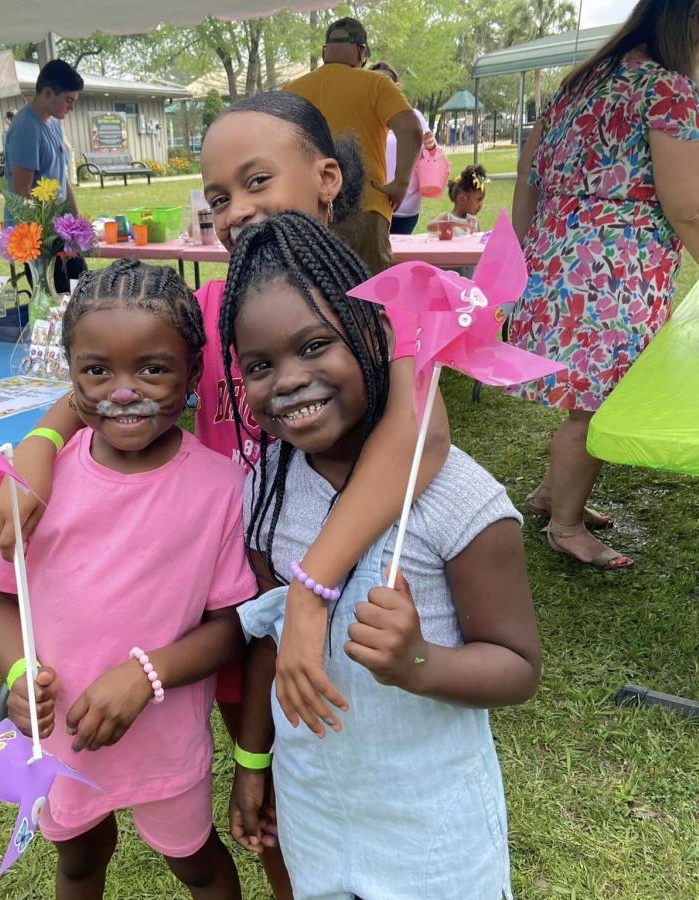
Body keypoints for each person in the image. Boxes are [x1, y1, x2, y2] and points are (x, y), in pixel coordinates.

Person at [0, 90, 452, 898]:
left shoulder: (385, 301)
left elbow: (423, 434)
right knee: (261, 800)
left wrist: (310, 593)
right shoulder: (211, 308)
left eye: (258, 180)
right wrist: (42, 442)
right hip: (224, 606)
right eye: (218, 198)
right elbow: (111, 377)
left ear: (327, 177)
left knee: (325, 774)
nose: (237, 211)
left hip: (337, 606)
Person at [222, 212, 540, 899]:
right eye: (259, 365)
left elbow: (518, 668)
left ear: (374, 334)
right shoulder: (268, 490)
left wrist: (417, 662)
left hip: (431, 827)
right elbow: (270, 640)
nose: (289, 380)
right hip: (316, 811)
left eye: (314, 346)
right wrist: (254, 760)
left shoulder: (461, 502)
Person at [0, 259, 252, 899]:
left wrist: (145, 676)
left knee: (196, 862)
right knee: (81, 861)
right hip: (61, 738)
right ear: (70, 376)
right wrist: (15, 675)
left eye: (152, 369)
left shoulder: (223, 489)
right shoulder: (32, 485)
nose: (123, 391)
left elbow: (231, 630)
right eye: (97, 371)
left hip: (164, 745)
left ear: (192, 371)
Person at [508, 0, 699, 570]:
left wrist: (518, 261)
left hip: (554, 261)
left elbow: (528, 183)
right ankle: (565, 527)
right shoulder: (665, 89)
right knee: (596, 407)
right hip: (611, 275)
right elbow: (691, 206)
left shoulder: (580, 84)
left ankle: (553, 495)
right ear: (694, 16)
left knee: (583, 399)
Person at [284, 17, 423, 273]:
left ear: (325, 51)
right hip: (365, 209)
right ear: (362, 52)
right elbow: (412, 130)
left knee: (315, 303)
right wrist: (401, 182)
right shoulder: (377, 84)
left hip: (308, 213)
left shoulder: (291, 90)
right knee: (369, 303)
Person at [5, 59, 87, 294]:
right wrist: (43, 246)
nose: (71, 108)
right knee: (56, 299)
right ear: (48, 93)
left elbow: (62, 177)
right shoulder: (25, 128)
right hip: (38, 238)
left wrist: (76, 221)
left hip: (60, 231)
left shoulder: (54, 124)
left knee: (81, 289)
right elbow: (21, 194)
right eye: (68, 100)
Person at [370, 61, 436, 234]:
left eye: (385, 84)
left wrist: (431, 147)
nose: (380, 89)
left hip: (406, 205)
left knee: (399, 255)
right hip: (374, 204)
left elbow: (431, 153)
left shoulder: (414, 117)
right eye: (374, 84)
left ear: (396, 87)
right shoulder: (366, 119)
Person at [428, 164, 487, 237]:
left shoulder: (474, 221)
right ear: (462, 199)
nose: (481, 204)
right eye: (478, 200)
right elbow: (430, 226)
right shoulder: (447, 217)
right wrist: (456, 224)